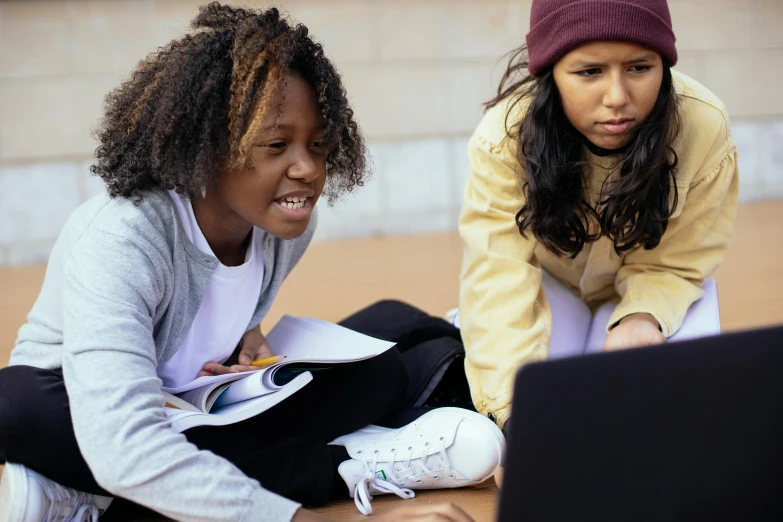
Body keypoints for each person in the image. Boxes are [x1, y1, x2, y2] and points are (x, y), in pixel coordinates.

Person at [0, 4, 503, 521]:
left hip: (196, 408)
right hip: (85, 411)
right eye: (277, 145)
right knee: (14, 405)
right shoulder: (123, 235)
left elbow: (217, 296)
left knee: (386, 356)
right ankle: (344, 466)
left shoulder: (282, 228)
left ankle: (109, 498)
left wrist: (248, 332)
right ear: (206, 148)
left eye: (318, 144)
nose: (307, 169)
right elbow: (124, 439)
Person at [457, 0, 738, 485]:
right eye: (588, 71)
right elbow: (498, 274)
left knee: (668, 439)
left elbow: (686, 257)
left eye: (639, 68)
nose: (617, 96)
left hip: (653, 290)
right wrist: (513, 415)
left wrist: (642, 316)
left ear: (664, 63)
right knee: (543, 417)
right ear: (551, 72)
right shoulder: (503, 137)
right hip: (550, 289)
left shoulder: (703, 125)